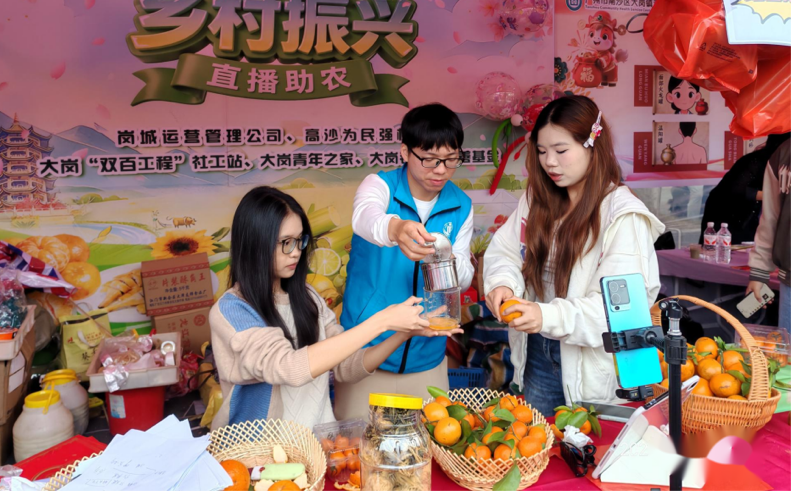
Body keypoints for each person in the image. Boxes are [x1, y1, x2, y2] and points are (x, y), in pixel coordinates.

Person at [209, 186, 460, 429]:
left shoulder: (307, 297)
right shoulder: (233, 311)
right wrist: (382, 321)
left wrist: (404, 333)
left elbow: (346, 367)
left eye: (299, 240)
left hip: (318, 446)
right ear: (254, 244)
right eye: (285, 242)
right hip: (264, 453)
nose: (295, 252)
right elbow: (288, 368)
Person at [483, 96, 665, 417]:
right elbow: (506, 252)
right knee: (540, 444)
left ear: (592, 144)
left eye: (561, 150)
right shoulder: (537, 200)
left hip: (593, 364)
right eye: (542, 151)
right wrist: (502, 283)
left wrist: (547, 316)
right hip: (538, 352)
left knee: (589, 444)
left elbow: (620, 311)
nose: (549, 162)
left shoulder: (622, 216)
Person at [334, 103, 474, 420]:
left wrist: (446, 256)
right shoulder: (380, 185)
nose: (441, 170)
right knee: (357, 443)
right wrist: (396, 229)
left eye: (451, 159)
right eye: (430, 159)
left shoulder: (461, 205)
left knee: (429, 442)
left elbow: (464, 276)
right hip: (367, 351)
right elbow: (364, 218)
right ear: (405, 152)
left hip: (427, 354)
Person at [700, 133, 791, 245]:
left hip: (750, 216)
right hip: (728, 213)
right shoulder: (756, 161)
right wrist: (777, 195)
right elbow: (738, 190)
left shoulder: (784, 164)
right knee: (730, 250)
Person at [747, 137, 791, 333]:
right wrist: (759, 271)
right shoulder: (784, 154)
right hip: (790, 280)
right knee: (787, 349)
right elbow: (770, 217)